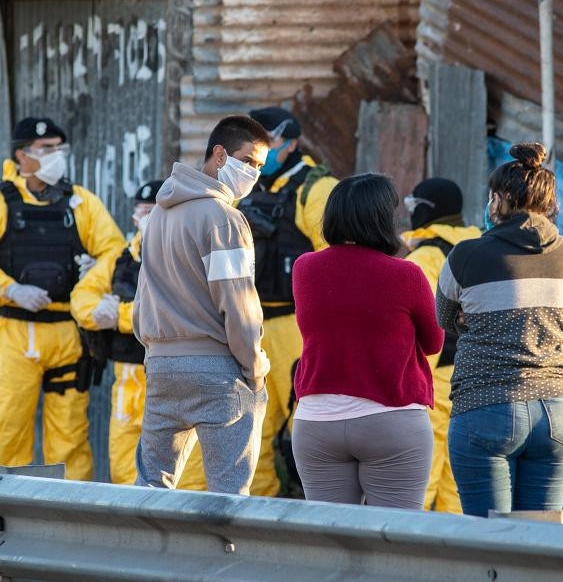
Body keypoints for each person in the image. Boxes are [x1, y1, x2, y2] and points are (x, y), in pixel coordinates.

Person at [0, 117, 124, 481]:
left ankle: (72, 522)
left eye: (60, 149)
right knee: (9, 434)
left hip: (68, 334)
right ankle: (8, 522)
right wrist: (9, 289)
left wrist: (93, 274)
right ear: (21, 155)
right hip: (12, 335)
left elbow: (114, 250)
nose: (56, 156)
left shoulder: (81, 203)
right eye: (46, 149)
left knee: (71, 438)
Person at [437, 142, 563, 518]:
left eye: (492, 198)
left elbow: (444, 319)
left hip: (486, 407)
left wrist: (478, 317)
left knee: (488, 543)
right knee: (539, 544)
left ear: (502, 199)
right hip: (560, 410)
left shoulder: (466, 255)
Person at [132, 115, 271, 495]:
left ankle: (145, 556)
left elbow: (142, 295)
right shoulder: (225, 218)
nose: (253, 173)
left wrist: (155, 351)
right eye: (248, 161)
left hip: (161, 365)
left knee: (151, 489)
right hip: (218, 370)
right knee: (230, 497)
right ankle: (223, 557)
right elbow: (237, 303)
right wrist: (254, 367)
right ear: (219, 154)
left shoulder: (157, 215)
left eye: (260, 166)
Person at [291, 174, 442, 509]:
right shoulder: (407, 274)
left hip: (316, 421)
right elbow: (434, 341)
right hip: (391, 420)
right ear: (383, 219)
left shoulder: (305, 269)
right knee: (395, 541)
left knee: (330, 541)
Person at [71, 180, 205, 489]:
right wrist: (95, 313)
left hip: (173, 373)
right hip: (129, 381)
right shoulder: (121, 257)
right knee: (123, 469)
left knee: (186, 473)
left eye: (153, 211)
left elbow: (173, 311)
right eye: (141, 212)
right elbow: (82, 297)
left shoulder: (186, 254)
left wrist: (117, 315)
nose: (145, 217)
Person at [240, 106, 338, 496]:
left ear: (291, 143)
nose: (255, 157)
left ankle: (312, 519)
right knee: (250, 432)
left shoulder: (315, 189)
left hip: (300, 328)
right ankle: (255, 523)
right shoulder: (244, 189)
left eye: (266, 145)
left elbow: (336, 264)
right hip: (250, 326)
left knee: (306, 432)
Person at [401, 178, 481, 514]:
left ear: (426, 210)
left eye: (412, 205)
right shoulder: (480, 248)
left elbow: (423, 327)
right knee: (459, 480)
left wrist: (416, 386)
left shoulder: (426, 257)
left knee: (422, 475)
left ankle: (412, 553)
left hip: (438, 376)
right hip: (480, 375)